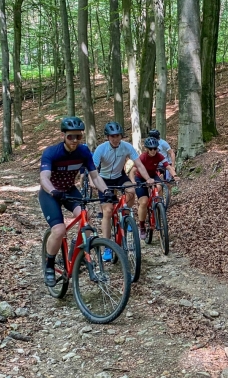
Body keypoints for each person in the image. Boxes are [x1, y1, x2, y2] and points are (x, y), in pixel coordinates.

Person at [39, 117, 113, 287]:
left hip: (70, 191)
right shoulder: (52, 152)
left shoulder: (84, 152)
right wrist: (53, 191)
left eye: (78, 137)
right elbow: (44, 177)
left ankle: (76, 254)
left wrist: (106, 191)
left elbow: (95, 176)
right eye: (70, 136)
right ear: (63, 135)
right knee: (59, 230)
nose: (74, 140)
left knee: (86, 222)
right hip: (50, 193)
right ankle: (49, 265)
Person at [93, 121, 156, 260]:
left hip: (119, 176)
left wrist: (148, 178)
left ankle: (125, 213)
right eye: (112, 136)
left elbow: (139, 164)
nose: (115, 139)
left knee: (132, 190)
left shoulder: (126, 147)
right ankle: (107, 248)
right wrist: (93, 182)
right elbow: (93, 169)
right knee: (108, 211)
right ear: (107, 137)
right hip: (103, 180)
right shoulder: (101, 149)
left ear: (121, 136)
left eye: (118, 136)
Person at [129, 137, 180, 239]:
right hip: (140, 178)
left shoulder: (159, 156)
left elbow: (168, 167)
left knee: (160, 186)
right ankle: (142, 226)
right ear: (147, 149)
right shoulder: (143, 157)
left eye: (155, 148)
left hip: (152, 176)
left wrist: (174, 176)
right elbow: (132, 172)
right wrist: (134, 182)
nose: (153, 151)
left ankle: (157, 205)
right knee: (143, 202)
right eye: (151, 149)